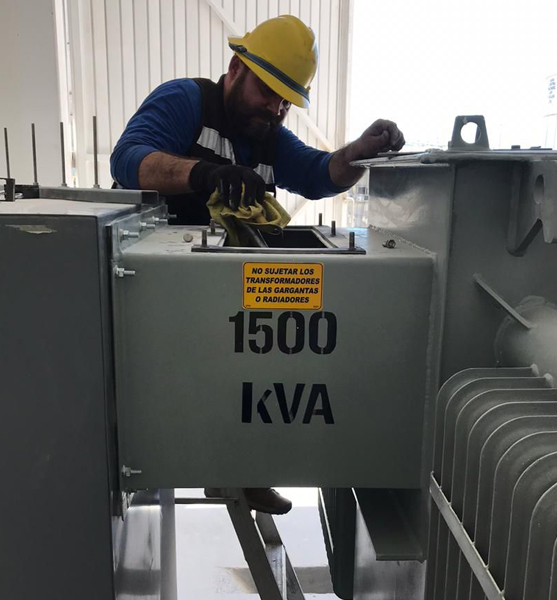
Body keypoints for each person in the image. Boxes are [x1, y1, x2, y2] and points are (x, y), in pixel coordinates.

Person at [110, 15, 405, 515]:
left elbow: (317, 174)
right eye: (267, 92)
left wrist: (360, 151)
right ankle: (174, 456)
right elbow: (127, 159)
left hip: (209, 282)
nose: (275, 108)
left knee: (263, 353)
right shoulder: (187, 101)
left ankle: (245, 468)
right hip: (150, 287)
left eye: (285, 100)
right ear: (235, 69)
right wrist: (205, 173)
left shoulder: (267, 135)